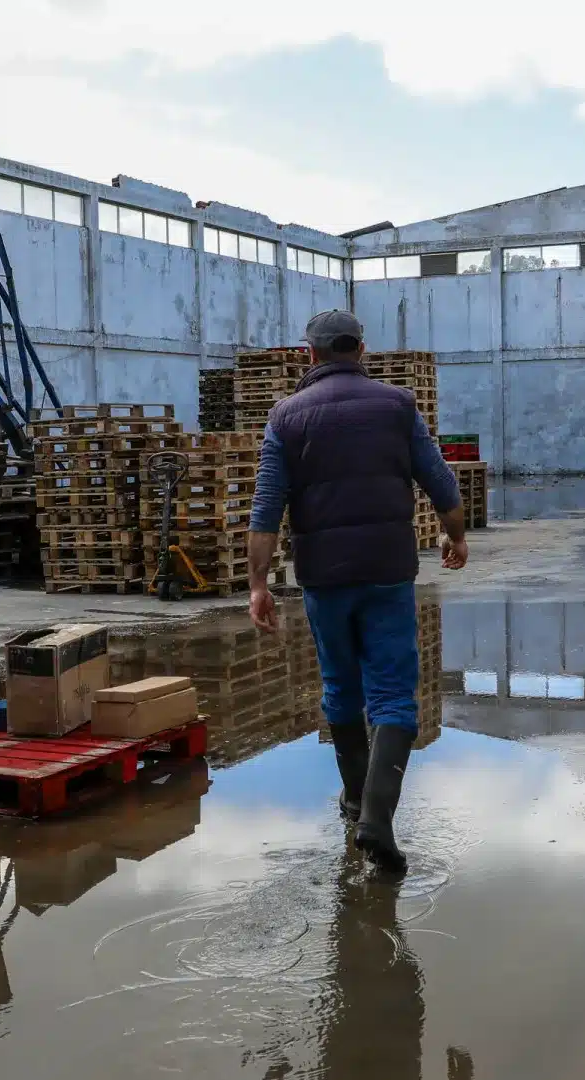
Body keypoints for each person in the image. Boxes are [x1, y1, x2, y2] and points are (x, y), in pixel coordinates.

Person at [246, 310, 467, 874]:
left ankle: (353, 802)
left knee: (341, 688)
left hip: (324, 578)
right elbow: (440, 481)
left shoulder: (286, 417)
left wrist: (258, 583)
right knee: (393, 696)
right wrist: (456, 534)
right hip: (387, 571)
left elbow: (266, 508)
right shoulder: (397, 406)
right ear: (361, 350)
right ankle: (376, 819)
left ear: (310, 354)